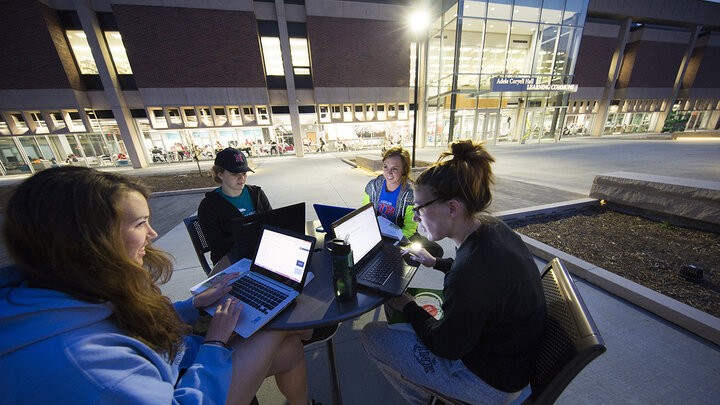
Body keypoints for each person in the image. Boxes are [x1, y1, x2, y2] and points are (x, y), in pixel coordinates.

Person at [0, 166, 312, 404]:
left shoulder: (58, 289)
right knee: (277, 326)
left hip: (174, 358)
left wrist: (192, 307)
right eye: (139, 224)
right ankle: (306, 327)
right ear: (86, 241)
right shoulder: (85, 365)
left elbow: (129, 327)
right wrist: (215, 343)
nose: (152, 234)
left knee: (291, 348)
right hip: (183, 383)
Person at [360, 140, 547, 405]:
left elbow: (446, 346)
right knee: (400, 308)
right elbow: (478, 277)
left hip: (486, 382)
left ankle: (427, 399)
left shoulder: (469, 275)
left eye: (420, 207)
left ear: (452, 208)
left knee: (371, 335)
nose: (415, 217)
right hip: (506, 356)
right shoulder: (491, 229)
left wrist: (410, 306)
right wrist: (437, 263)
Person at [362, 146, 443, 257]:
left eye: (394, 168)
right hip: (377, 234)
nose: (388, 172)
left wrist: (390, 240)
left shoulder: (411, 194)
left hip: (400, 235)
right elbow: (365, 216)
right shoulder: (372, 186)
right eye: (385, 167)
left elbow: (409, 229)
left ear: (404, 169)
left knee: (436, 250)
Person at [198, 147, 271, 264]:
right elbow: (216, 244)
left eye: (244, 173)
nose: (241, 178)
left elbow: (272, 222)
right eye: (234, 174)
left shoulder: (256, 193)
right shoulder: (209, 205)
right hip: (232, 259)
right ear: (220, 174)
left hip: (262, 252)